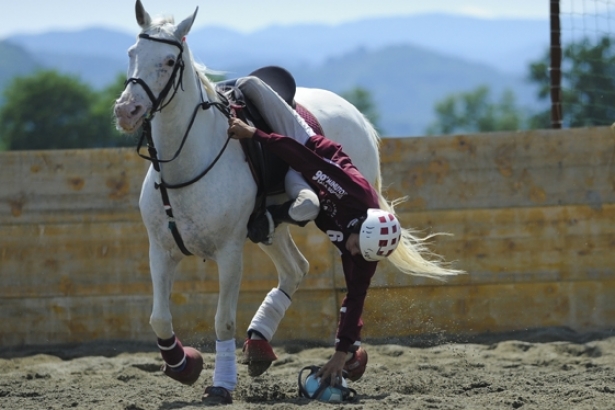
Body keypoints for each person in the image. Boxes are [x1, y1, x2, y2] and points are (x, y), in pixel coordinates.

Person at [228, 106, 462, 386]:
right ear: (358, 225)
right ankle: (268, 218)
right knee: (308, 205)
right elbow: (304, 160)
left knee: (310, 208)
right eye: (356, 246)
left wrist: (340, 354)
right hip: (308, 152)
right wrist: (255, 133)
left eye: (360, 253)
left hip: (313, 182)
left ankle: (352, 350)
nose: (352, 254)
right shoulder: (351, 192)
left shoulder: (365, 252)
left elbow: (355, 298)